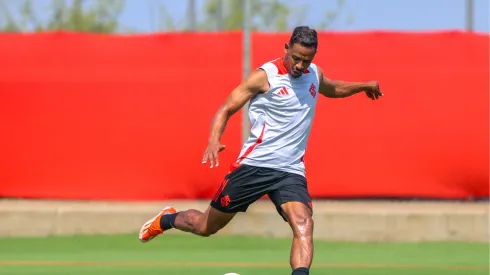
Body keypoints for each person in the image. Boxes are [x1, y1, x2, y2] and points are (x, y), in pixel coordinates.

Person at [138, 26, 383, 275]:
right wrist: (214, 139)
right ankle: (167, 219)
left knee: (303, 223)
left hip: (290, 170)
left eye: (306, 60)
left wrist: (363, 86)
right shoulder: (265, 76)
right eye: (296, 58)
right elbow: (225, 108)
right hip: (254, 165)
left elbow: (333, 88)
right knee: (204, 226)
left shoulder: (313, 74)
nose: (299, 65)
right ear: (286, 48)